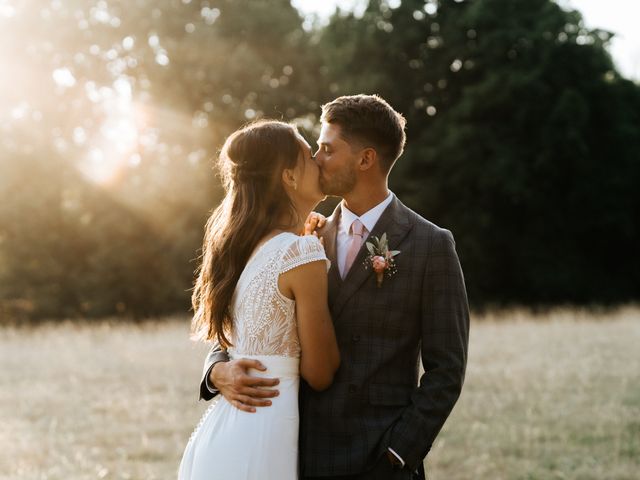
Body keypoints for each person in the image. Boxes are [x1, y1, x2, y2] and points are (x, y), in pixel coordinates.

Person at [200, 94, 470, 479]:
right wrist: (215, 372)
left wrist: (397, 454)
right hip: (296, 452)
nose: (315, 159)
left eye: (327, 149)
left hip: (380, 460)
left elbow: (447, 371)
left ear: (365, 159)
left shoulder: (429, 245)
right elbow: (247, 317)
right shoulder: (304, 239)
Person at [178, 120, 340, 479]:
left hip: (221, 434)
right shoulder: (302, 252)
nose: (317, 158)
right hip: (265, 436)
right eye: (306, 153)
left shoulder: (240, 249)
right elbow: (321, 372)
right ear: (289, 177)